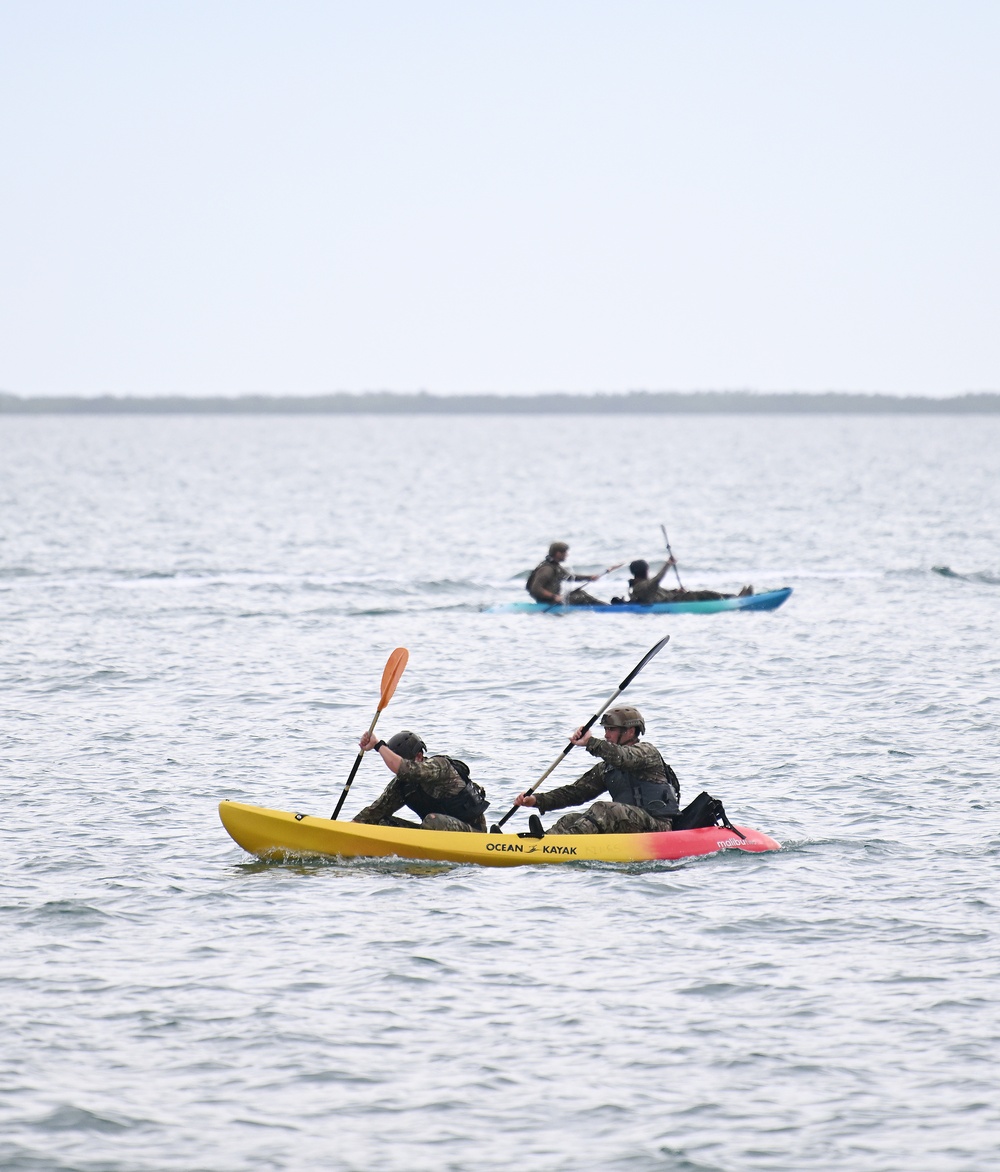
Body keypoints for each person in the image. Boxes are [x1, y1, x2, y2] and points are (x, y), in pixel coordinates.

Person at [513, 707, 680, 834]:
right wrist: (537, 800)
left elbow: (624, 758)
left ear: (630, 731)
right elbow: (575, 793)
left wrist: (590, 742)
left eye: (611, 729)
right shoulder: (606, 768)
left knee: (604, 809)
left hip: (657, 827)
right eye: (605, 729)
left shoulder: (646, 752)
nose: (606, 734)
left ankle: (565, 844)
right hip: (627, 823)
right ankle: (543, 843)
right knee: (570, 819)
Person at [353, 730, 489, 832]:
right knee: (381, 822)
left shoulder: (439, 766)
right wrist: (347, 829)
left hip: (472, 832)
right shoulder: (403, 785)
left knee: (432, 821)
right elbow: (374, 812)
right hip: (433, 833)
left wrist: (378, 745)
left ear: (419, 756)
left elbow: (404, 768)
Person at [627, 559, 753, 604]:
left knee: (706, 593)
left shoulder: (644, 584)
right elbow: (656, 581)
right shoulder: (640, 587)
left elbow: (660, 591)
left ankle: (735, 597)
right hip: (673, 602)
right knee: (705, 594)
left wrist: (676, 591)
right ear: (644, 571)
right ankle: (736, 600)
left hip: (676, 597)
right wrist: (667, 564)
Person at [526, 541, 607, 606]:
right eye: (565, 553)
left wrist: (589, 577)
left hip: (554, 600)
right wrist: (554, 597)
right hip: (549, 602)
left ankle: (606, 606)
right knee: (581, 596)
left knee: (579, 593)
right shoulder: (547, 569)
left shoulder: (554, 566)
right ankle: (608, 608)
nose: (567, 555)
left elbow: (569, 577)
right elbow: (535, 589)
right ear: (558, 553)